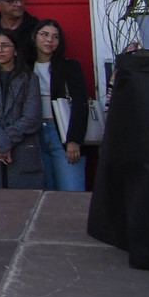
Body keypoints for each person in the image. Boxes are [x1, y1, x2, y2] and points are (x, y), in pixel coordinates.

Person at [0, 32, 44, 190]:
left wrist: (4, 142)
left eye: (5, 46)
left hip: (21, 148)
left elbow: (32, 117)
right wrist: (1, 142)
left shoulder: (30, 79)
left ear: (16, 50)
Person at [31, 19, 89, 192]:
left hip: (62, 133)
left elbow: (80, 103)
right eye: (45, 35)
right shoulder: (25, 67)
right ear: (35, 37)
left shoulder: (69, 66)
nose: (49, 40)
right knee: (44, 193)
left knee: (71, 191)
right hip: (34, 135)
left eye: (55, 37)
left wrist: (74, 140)